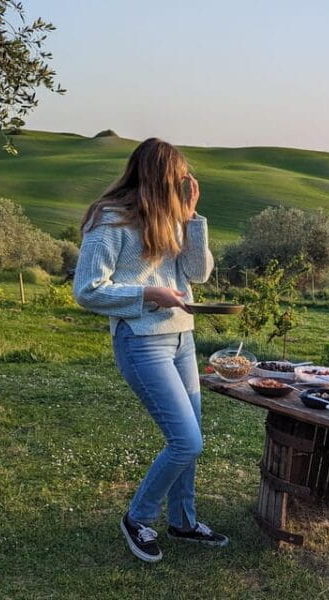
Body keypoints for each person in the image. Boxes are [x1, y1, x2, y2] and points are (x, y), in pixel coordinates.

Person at [73, 138, 227, 563]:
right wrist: (149, 294)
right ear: (159, 178)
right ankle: (138, 517)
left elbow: (198, 273)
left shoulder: (173, 219)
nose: (183, 187)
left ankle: (183, 521)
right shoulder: (110, 221)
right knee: (186, 440)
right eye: (178, 180)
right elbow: (88, 291)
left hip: (182, 337)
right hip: (141, 341)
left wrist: (193, 219)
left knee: (189, 437)